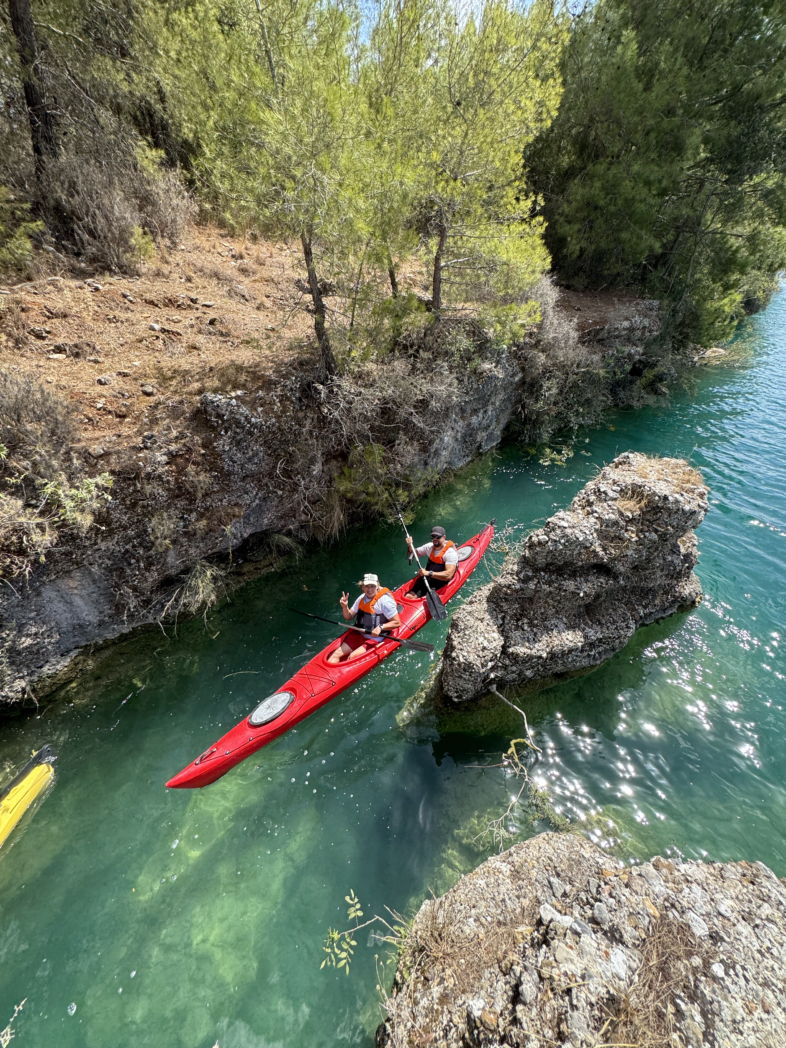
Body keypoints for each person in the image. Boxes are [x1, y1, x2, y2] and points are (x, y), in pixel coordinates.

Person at [327, 573, 401, 664]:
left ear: (377, 585)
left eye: (372, 586)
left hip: (375, 638)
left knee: (352, 657)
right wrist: (344, 607)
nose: (369, 589)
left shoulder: (385, 601)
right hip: (359, 633)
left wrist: (381, 627)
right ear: (362, 587)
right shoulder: (361, 598)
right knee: (335, 655)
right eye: (367, 586)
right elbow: (349, 617)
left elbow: (397, 622)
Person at [406, 526, 458, 598]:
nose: (435, 539)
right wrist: (409, 545)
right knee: (409, 596)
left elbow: (448, 575)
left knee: (416, 596)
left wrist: (429, 573)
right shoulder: (429, 547)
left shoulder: (450, 553)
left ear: (444, 537)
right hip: (428, 577)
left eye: (438, 537)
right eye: (432, 536)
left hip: (441, 581)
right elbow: (412, 554)